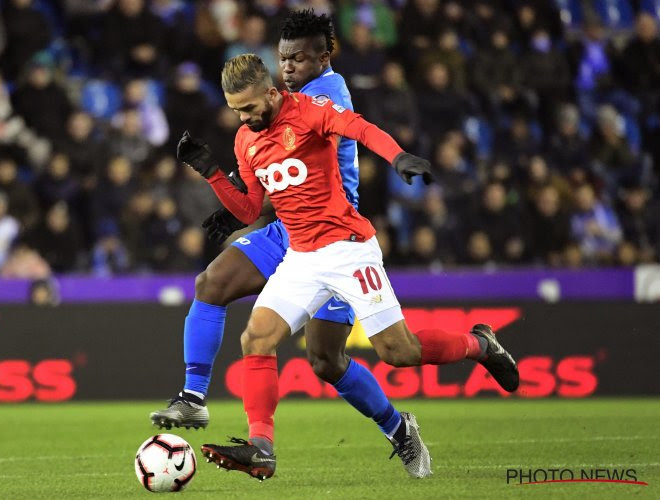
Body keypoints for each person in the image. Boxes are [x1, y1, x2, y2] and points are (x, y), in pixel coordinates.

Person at [188, 53, 519, 480]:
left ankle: (480, 345)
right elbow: (251, 207)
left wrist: (397, 156)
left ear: (271, 92)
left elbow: (359, 128)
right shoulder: (245, 140)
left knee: (399, 352)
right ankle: (262, 447)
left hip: (348, 250)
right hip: (302, 258)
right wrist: (213, 174)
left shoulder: (310, 111)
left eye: (249, 108)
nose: (244, 118)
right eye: (236, 111)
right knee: (256, 338)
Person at [150, 11, 426, 476]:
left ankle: (398, 427)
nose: (289, 67)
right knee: (213, 286)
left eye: (297, 59)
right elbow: (264, 169)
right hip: (288, 229)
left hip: (335, 231)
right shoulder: (268, 112)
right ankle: (197, 399)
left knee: (326, 359)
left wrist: (397, 156)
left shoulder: (325, 95)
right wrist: (228, 179)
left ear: (323, 57)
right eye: (283, 59)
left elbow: (334, 132)